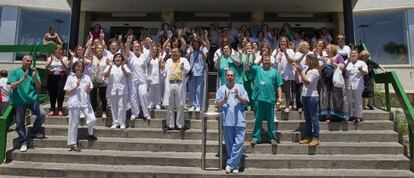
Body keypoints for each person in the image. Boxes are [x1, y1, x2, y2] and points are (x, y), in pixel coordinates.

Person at [7, 55, 45, 152]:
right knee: (19, 123)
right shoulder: (15, 72)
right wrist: (23, 79)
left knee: (42, 114)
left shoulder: (34, 71)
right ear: (22, 61)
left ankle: (34, 131)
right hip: (19, 101)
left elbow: (39, 85)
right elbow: (12, 86)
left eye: (30, 61)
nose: (29, 63)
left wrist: (35, 78)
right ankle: (24, 140)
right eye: (27, 61)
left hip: (32, 100)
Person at [216, 69, 249, 174]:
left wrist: (238, 97)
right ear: (225, 77)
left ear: (235, 77)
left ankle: (230, 164)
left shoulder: (240, 87)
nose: (230, 77)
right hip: (227, 120)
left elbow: (246, 102)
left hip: (239, 120)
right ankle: (236, 165)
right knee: (229, 145)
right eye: (228, 75)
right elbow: (217, 104)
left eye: (232, 75)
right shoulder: (221, 89)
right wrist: (224, 100)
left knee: (239, 143)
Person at [248, 55, 283, 146]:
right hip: (259, 99)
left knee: (271, 120)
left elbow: (279, 85)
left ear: (270, 62)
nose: (267, 61)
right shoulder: (257, 69)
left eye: (268, 60)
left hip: (270, 99)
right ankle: (256, 137)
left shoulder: (275, 72)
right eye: (265, 60)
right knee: (258, 119)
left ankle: (272, 138)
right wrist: (248, 55)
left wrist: (279, 97)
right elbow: (248, 65)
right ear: (262, 61)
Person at [64, 61, 97, 152]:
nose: (80, 68)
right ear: (74, 67)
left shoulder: (87, 77)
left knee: (92, 119)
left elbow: (90, 88)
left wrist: (89, 89)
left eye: (81, 66)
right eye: (78, 66)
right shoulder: (70, 77)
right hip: (74, 103)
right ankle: (73, 143)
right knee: (73, 124)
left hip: (85, 102)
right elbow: (67, 91)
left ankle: (90, 133)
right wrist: (76, 86)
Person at [293, 54, 321, 146]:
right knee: (307, 118)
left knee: (313, 117)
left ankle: (316, 138)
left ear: (311, 60)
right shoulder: (307, 70)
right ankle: (308, 137)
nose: (305, 61)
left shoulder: (315, 71)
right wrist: (298, 71)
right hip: (305, 95)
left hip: (312, 96)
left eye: (307, 59)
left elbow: (307, 82)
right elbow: (299, 81)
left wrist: (301, 72)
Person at [162, 47, 190, 129]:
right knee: (170, 105)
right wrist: (162, 67)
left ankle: (180, 124)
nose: (174, 53)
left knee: (180, 105)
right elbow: (164, 72)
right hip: (170, 84)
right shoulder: (168, 61)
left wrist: (183, 68)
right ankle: (170, 124)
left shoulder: (184, 60)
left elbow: (188, 70)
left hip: (179, 84)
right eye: (172, 52)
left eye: (176, 52)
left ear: (179, 53)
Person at [126, 41, 152, 121]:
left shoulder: (143, 56)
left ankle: (146, 114)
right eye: (135, 47)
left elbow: (150, 55)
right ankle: (134, 113)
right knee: (133, 97)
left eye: (138, 46)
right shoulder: (131, 55)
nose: (137, 48)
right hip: (133, 80)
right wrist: (128, 42)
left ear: (140, 48)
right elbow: (127, 52)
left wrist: (150, 44)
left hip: (142, 79)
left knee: (143, 95)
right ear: (132, 48)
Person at [104, 53, 131, 129]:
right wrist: (109, 66)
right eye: (116, 57)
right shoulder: (110, 66)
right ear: (114, 59)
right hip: (112, 89)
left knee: (122, 107)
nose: (118, 59)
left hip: (122, 89)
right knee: (113, 107)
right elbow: (105, 75)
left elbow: (127, 75)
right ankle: (115, 122)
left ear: (122, 59)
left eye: (119, 57)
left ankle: (122, 123)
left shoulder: (125, 66)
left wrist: (123, 68)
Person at [273, 37, 296, 113]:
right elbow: (272, 60)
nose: (283, 43)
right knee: (277, 91)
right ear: (279, 43)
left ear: (287, 43)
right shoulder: (276, 51)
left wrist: (285, 53)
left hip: (286, 74)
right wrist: (276, 53)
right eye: (281, 41)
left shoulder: (290, 51)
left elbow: (291, 61)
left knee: (287, 91)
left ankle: (287, 106)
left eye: (284, 41)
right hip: (277, 74)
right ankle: (278, 105)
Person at [45, 44, 69, 116]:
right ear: (54, 50)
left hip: (61, 76)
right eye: (58, 49)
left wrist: (61, 61)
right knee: (52, 93)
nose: (59, 50)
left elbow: (66, 67)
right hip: (52, 76)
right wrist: (51, 60)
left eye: (61, 49)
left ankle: (60, 109)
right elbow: (46, 67)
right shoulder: (50, 58)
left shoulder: (64, 58)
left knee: (60, 93)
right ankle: (52, 109)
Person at [345, 50, 368, 122]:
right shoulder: (347, 62)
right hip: (348, 84)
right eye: (352, 53)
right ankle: (350, 115)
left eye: (355, 53)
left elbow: (365, 73)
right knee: (348, 100)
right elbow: (342, 69)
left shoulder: (362, 63)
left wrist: (361, 69)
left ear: (358, 55)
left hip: (358, 85)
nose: (353, 54)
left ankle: (358, 116)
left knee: (358, 101)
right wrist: (347, 62)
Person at [187, 37, 208, 112]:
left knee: (199, 90)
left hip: (200, 72)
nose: (195, 44)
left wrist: (202, 51)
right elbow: (186, 58)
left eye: (196, 42)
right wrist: (190, 52)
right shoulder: (190, 49)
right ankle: (192, 105)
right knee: (191, 89)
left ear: (199, 43)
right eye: (194, 42)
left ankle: (198, 105)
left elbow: (205, 59)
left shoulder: (203, 49)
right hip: (191, 72)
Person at [90, 44, 110, 118]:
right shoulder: (92, 57)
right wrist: (89, 45)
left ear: (103, 50)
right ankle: (94, 111)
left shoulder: (106, 59)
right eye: (98, 48)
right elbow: (85, 56)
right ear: (95, 50)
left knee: (103, 97)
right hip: (94, 80)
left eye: (101, 48)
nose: (99, 50)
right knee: (93, 97)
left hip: (102, 81)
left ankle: (104, 111)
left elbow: (109, 67)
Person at [147, 45, 163, 110]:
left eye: (155, 49)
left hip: (157, 76)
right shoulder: (149, 58)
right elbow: (147, 65)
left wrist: (161, 64)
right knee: (150, 91)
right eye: (153, 49)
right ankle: (150, 103)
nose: (154, 50)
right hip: (150, 77)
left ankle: (157, 103)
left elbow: (161, 67)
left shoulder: (158, 58)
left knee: (157, 91)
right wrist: (149, 59)